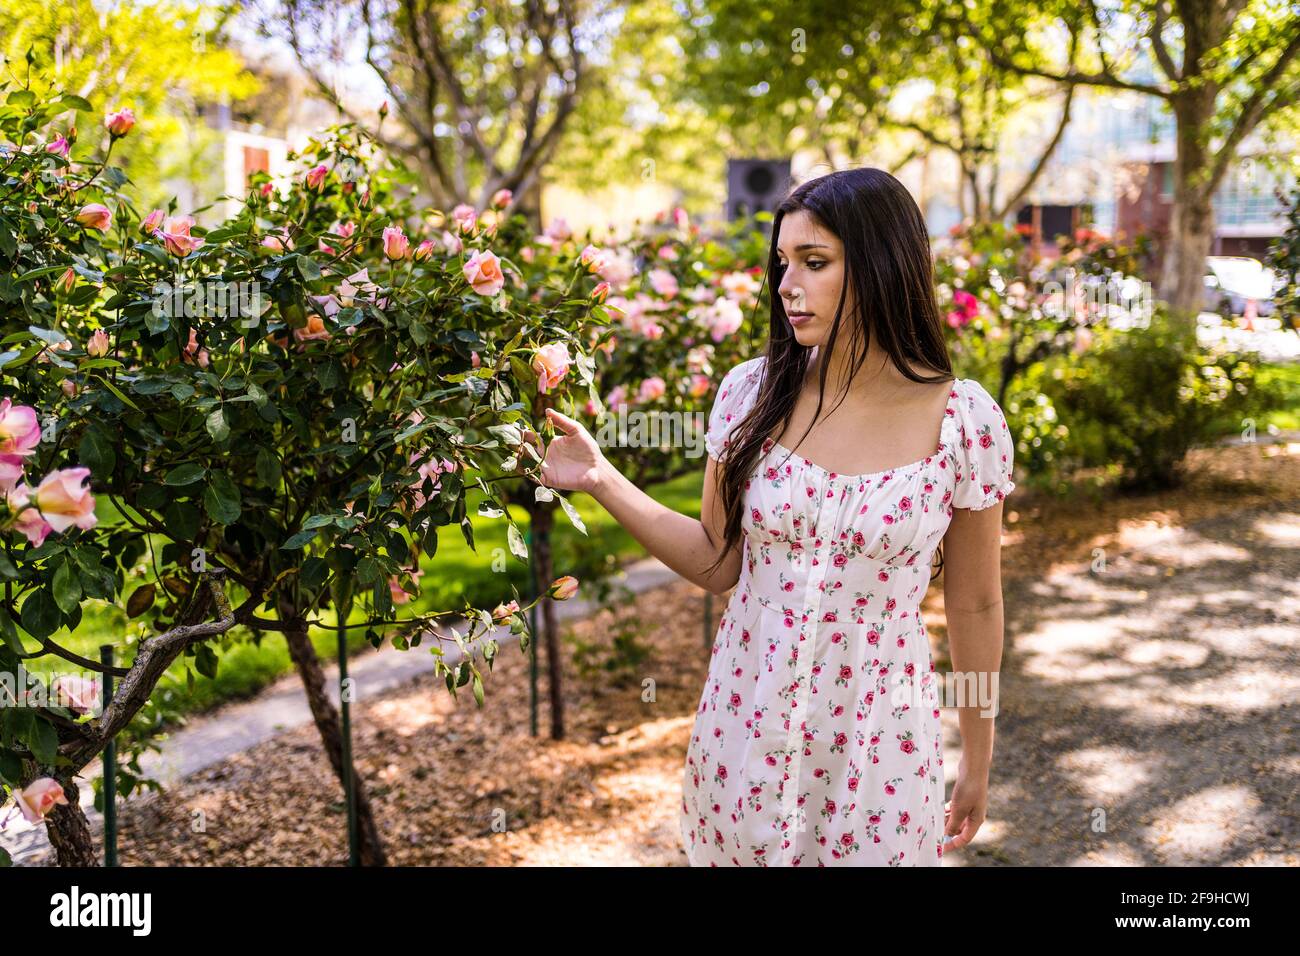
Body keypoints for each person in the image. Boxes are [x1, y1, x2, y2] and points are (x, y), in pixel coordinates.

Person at [524, 167, 1015, 866]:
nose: (787, 285)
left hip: (878, 741)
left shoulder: (962, 421)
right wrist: (601, 478)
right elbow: (715, 561)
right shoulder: (752, 395)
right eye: (783, 262)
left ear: (880, 265)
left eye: (814, 262)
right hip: (746, 727)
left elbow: (975, 604)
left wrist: (977, 756)